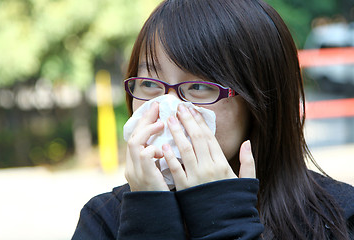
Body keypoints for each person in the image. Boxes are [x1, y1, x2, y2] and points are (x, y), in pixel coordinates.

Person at [72, 0, 354, 239]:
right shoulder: (103, 221)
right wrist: (149, 216)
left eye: (198, 87)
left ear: (261, 103)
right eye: (149, 84)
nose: (168, 107)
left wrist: (224, 220)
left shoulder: (337, 218)